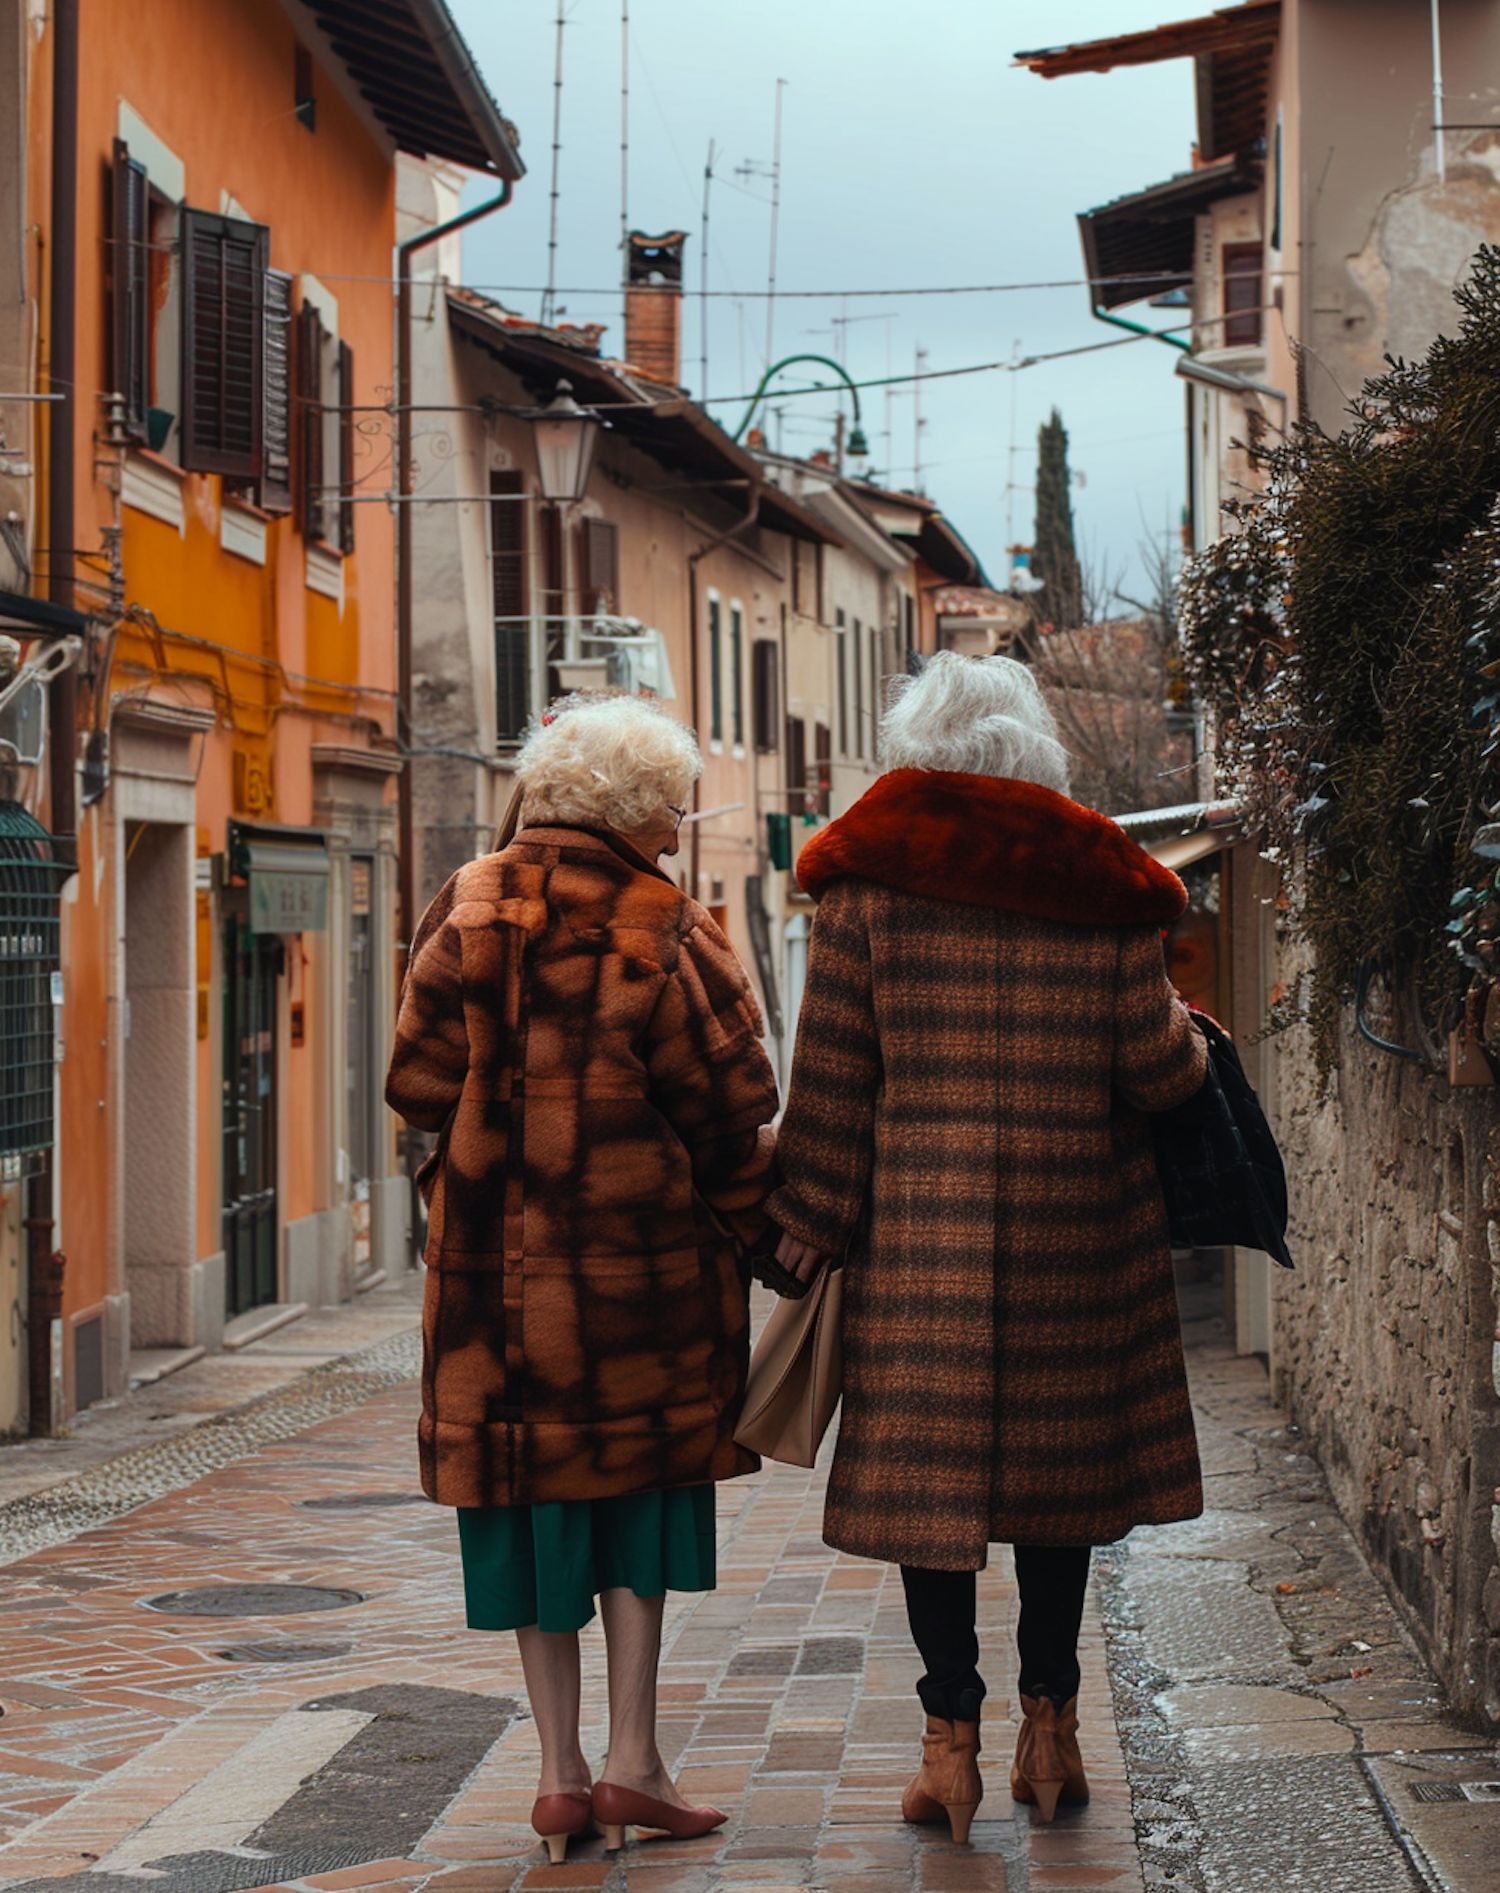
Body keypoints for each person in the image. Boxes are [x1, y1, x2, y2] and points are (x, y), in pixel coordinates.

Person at [766, 652, 1207, 1839]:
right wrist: (1198, 1039)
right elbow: (1160, 1075)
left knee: (934, 1501)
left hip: (924, 1244)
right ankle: (1051, 1732)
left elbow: (832, 1090)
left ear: (924, 749)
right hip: (1081, 1239)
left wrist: (802, 1226)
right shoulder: (1107, 890)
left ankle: (947, 1749)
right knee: (1059, 1497)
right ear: (1035, 751)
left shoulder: (866, 897)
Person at [386, 695, 778, 1863]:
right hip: (636, 1287)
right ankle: (635, 1764)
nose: (674, 827)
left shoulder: (467, 902)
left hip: (493, 1296)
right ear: (631, 804)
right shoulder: (665, 923)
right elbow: (733, 1103)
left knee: (530, 1508)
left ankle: (558, 1780)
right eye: (667, 805)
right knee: (637, 1502)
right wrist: (776, 1237)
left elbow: (416, 1081)